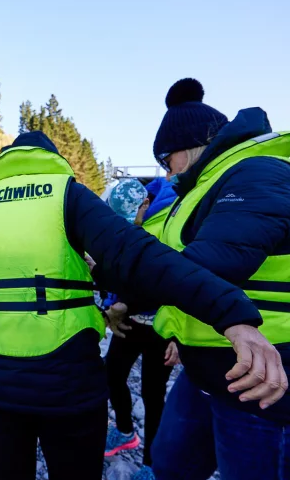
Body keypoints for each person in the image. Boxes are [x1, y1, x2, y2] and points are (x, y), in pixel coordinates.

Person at [0, 131, 288, 480]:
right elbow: (140, 257)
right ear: (52, 160)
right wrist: (230, 314)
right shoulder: (67, 195)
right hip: (66, 384)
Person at [144, 79, 290, 480]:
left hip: (273, 382)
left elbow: (203, 267)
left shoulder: (262, 174)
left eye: (166, 160)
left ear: (184, 150)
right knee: (170, 466)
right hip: (209, 368)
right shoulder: (201, 192)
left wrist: (114, 280)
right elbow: (173, 263)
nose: (166, 172)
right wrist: (133, 306)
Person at [103, 178, 179, 479]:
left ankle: (151, 463)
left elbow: (173, 281)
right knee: (111, 374)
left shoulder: (172, 219)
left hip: (160, 326)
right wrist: (111, 300)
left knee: (152, 392)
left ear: (145, 205)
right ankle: (124, 431)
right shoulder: (131, 224)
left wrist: (179, 334)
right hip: (130, 321)